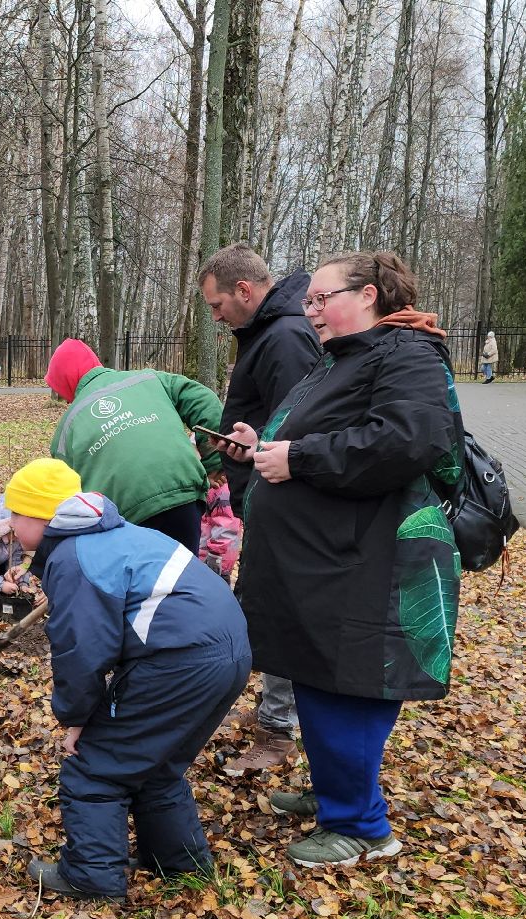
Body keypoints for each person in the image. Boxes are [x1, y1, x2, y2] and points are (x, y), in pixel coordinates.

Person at [214, 250, 463, 869]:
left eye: (322, 299)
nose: (311, 310)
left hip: (367, 562)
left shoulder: (408, 355)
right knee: (318, 677)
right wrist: (261, 449)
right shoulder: (343, 359)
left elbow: (411, 439)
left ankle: (360, 825)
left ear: (371, 295)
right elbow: (321, 434)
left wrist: (298, 458)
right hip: (322, 559)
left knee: (347, 684)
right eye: (309, 301)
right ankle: (337, 792)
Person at [4, 459, 251, 900]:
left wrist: (77, 719)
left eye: (15, 514)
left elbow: (81, 652)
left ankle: (92, 878)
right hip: (231, 653)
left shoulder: (73, 558)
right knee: (157, 764)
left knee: (95, 769)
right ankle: (179, 863)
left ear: (41, 517)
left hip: (180, 661)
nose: (8, 525)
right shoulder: (116, 535)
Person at [198, 242, 320, 773]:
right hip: (264, 489)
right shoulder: (268, 332)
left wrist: (259, 446)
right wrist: (245, 442)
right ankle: (272, 710)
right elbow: (278, 426)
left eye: (218, 305)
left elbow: (301, 432)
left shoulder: (286, 337)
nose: (217, 317)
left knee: (278, 608)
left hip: (285, 503)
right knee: (262, 602)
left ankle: (279, 728)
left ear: (244, 291)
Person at [45, 339, 223, 553]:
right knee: (183, 576)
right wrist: (214, 462)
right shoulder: (149, 378)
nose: (66, 401)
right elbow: (204, 400)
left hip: (125, 517)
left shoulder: (65, 430)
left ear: (65, 381)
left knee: (141, 581)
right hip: (182, 493)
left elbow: (68, 495)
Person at [198, 470, 241, 579]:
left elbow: (227, 525)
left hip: (215, 560)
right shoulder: (210, 486)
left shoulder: (223, 489)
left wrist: (215, 555)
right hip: (206, 557)